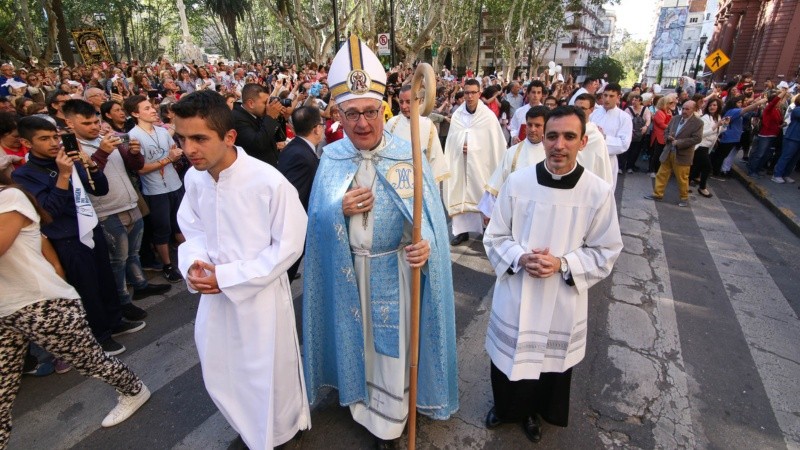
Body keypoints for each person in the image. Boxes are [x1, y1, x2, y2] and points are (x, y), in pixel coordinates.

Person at [303, 35, 458, 450]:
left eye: (370, 112)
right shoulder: (332, 158)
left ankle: (390, 423)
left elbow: (431, 221)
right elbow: (315, 226)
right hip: (350, 272)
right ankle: (361, 406)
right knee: (360, 346)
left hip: (395, 271)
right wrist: (338, 210)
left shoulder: (407, 154)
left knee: (390, 353)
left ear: (383, 109)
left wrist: (427, 247)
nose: (362, 123)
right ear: (338, 115)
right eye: (351, 114)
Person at [174, 90, 310, 450]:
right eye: (182, 139)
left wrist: (229, 277)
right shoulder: (195, 179)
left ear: (229, 136)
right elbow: (192, 229)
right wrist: (194, 264)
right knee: (223, 369)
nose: (189, 149)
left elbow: (289, 244)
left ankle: (281, 434)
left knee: (267, 373)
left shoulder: (268, 181)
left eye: (199, 138)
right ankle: (250, 429)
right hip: (214, 296)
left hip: (260, 298)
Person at [482, 106, 622, 443]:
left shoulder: (598, 192)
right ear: (543, 140)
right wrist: (520, 257)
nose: (559, 145)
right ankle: (506, 408)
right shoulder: (518, 183)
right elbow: (495, 235)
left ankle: (535, 413)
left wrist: (562, 264)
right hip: (518, 287)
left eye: (569, 136)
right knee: (509, 356)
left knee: (549, 365)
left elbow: (606, 249)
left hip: (562, 294)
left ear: (583, 142)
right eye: (552, 136)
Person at [0, 159, 151, 447]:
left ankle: (133, 389)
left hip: (40, 305)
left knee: (90, 360)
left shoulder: (9, 197)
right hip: (5, 310)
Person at [12, 116, 145, 356]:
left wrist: (91, 166)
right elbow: (48, 211)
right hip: (66, 238)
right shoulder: (24, 175)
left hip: (90, 226)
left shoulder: (68, 160)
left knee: (104, 278)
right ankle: (99, 336)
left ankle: (114, 321)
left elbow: (99, 189)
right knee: (87, 286)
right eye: (44, 139)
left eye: (55, 137)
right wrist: (63, 176)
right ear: (27, 142)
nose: (54, 143)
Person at [62, 99, 170, 317]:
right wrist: (101, 153)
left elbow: (135, 166)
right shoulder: (71, 150)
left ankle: (140, 285)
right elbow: (90, 182)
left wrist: (134, 153)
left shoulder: (105, 139)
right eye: (86, 123)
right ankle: (121, 301)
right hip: (106, 212)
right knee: (117, 261)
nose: (94, 127)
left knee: (133, 253)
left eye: (96, 122)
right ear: (70, 124)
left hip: (129, 203)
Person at [124, 95, 185, 283]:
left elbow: (173, 152)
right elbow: (141, 169)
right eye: (147, 108)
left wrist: (175, 155)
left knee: (181, 223)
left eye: (152, 107)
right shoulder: (133, 136)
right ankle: (167, 265)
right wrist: (168, 159)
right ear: (135, 114)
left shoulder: (163, 131)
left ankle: (191, 258)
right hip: (155, 190)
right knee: (162, 229)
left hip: (175, 184)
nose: (153, 110)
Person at [445, 78, 507, 246]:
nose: (470, 96)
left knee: (483, 197)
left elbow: (495, 144)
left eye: (473, 92)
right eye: (467, 93)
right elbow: (451, 141)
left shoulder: (488, 116)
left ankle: (488, 233)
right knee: (460, 195)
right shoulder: (457, 115)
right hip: (460, 164)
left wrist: (472, 148)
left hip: (482, 166)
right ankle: (462, 232)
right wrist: (460, 146)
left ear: (479, 94)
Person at [277, 105, 322, 281]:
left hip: (292, 229)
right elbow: (295, 196)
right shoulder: (301, 156)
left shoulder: (296, 148)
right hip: (293, 230)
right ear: (316, 128)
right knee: (283, 277)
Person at [479, 106, 548, 218]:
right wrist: (489, 213)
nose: (532, 129)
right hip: (516, 214)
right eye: (529, 125)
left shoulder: (553, 153)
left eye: (537, 125)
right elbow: (497, 182)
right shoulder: (512, 152)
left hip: (543, 213)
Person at [644, 101, 704, 207]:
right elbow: (666, 130)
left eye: (687, 109)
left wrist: (679, 142)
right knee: (661, 174)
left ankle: (684, 198)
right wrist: (668, 137)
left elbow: (697, 138)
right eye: (683, 108)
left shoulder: (698, 123)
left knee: (682, 178)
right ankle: (657, 194)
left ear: (694, 110)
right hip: (668, 151)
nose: (684, 111)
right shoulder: (676, 118)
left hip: (683, 154)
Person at [385, 85, 449, 183]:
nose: (403, 106)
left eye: (408, 102)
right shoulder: (391, 124)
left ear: (419, 101)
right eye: (401, 102)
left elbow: (435, 157)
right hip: (395, 179)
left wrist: (431, 185)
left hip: (421, 180)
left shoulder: (427, 125)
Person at [589, 83, 632, 192]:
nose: (607, 99)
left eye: (611, 96)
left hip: (608, 161)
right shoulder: (594, 113)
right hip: (590, 158)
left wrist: (603, 137)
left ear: (618, 97)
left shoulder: (624, 117)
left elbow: (624, 144)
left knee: (605, 193)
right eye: (605, 95)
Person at [231, 83, 281, 166]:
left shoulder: (258, 113)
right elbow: (258, 144)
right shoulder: (236, 118)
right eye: (265, 103)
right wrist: (270, 117)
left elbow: (279, 138)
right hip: (256, 169)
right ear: (251, 103)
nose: (268, 106)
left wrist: (277, 116)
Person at [691, 98, 725, 197]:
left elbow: (718, 131)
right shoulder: (705, 118)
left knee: (696, 167)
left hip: (708, 147)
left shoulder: (718, 117)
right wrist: (716, 126)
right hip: (700, 146)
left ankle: (686, 183)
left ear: (718, 107)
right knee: (707, 167)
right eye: (710, 105)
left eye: (714, 105)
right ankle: (702, 188)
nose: (712, 107)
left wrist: (724, 125)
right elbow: (701, 134)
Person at [649, 95, 675, 177]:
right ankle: (652, 170)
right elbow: (661, 124)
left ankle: (658, 170)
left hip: (665, 136)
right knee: (656, 154)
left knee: (662, 154)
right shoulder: (659, 112)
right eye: (670, 103)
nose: (671, 104)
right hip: (658, 136)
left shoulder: (669, 112)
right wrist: (671, 128)